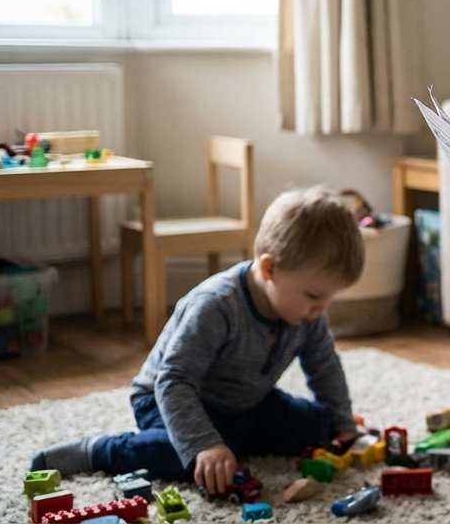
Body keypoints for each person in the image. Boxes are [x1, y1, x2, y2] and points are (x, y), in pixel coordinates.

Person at [30, 186, 365, 497]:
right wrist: (205, 444)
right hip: (169, 399)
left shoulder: (307, 314)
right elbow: (174, 381)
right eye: (314, 295)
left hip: (247, 403)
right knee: (192, 458)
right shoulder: (217, 305)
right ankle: (98, 450)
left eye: (330, 298)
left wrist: (345, 426)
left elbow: (325, 367)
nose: (322, 309)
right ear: (270, 268)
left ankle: (228, 439)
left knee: (319, 427)